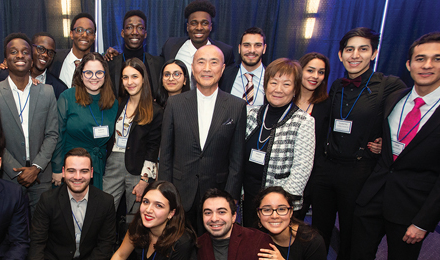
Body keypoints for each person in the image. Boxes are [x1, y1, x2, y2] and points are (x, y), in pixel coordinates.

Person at [351, 32, 440, 260]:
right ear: (409, 64)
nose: (427, 65)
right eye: (420, 59)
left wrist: (424, 222)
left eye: (437, 59)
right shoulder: (395, 98)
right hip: (372, 199)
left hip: (412, 208)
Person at [311, 27, 407, 259]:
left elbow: (407, 117)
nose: (355, 55)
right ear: (340, 55)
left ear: (373, 54)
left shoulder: (389, 85)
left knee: (352, 233)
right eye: (349, 49)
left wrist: (389, 140)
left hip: (359, 170)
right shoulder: (335, 87)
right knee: (318, 231)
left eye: (363, 49)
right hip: (326, 168)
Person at [159, 45, 246, 235]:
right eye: (201, 62)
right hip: (180, 192)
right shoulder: (175, 104)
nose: (207, 68)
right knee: (179, 246)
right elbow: (165, 153)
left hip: (218, 194)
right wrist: (165, 194)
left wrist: (230, 198)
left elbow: (237, 159)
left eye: (213, 62)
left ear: (222, 69)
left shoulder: (236, 106)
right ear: (192, 67)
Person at [0, 32, 59, 212]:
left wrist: (36, 167)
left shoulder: (47, 92)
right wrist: (16, 170)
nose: (20, 56)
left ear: (32, 56)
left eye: (25, 52)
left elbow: (52, 134)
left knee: (41, 231)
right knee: (13, 229)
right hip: (8, 176)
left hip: (41, 176)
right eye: (14, 52)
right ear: (6, 58)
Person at [242, 58, 315, 228]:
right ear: (266, 85)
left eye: (286, 84)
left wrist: (279, 204)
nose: (278, 89)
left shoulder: (303, 121)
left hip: (279, 204)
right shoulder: (252, 114)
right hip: (249, 196)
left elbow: (302, 169)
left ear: (295, 89)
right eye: (273, 83)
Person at [29, 147, 116, 260]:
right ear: (63, 172)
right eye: (71, 171)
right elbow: (37, 243)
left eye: (84, 171)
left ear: (91, 173)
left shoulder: (106, 202)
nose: (77, 177)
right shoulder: (48, 200)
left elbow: (105, 245)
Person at [104, 57, 163, 213]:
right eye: (125, 77)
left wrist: (145, 179)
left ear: (144, 79)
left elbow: (153, 148)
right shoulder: (117, 104)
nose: (130, 82)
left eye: (134, 76)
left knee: (135, 217)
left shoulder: (155, 110)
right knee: (104, 212)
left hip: (137, 168)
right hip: (112, 165)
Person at [51, 52, 118, 190]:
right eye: (88, 73)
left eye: (99, 73)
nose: (94, 77)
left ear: (105, 75)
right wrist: (58, 168)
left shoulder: (113, 103)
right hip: (71, 169)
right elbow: (57, 135)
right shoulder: (67, 97)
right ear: (81, 75)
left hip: (99, 168)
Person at [111, 180, 197, 260]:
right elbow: (120, 255)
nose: (148, 210)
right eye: (146, 202)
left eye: (158, 205)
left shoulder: (182, 243)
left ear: (171, 213)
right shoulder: (137, 226)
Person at [293, 52, 331, 220]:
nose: (315, 76)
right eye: (310, 70)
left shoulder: (327, 105)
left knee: (296, 223)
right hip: (280, 171)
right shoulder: (284, 98)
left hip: (311, 175)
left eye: (321, 72)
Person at [160, 0, 234, 85]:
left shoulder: (224, 51)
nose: (199, 27)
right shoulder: (170, 46)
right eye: (194, 23)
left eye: (204, 23)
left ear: (210, 27)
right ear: (187, 27)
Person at [197, 188, 272, 260]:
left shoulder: (258, 241)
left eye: (221, 212)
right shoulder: (198, 245)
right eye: (208, 213)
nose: (214, 219)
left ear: (233, 216)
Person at [105, 10, 164, 98]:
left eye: (140, 28)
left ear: (145, 34)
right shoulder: (111, 64)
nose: (134, 32)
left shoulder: (158, 64)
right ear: (122, 33)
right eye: (129, 27)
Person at [256, 187, 326, 260]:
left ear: (291, 212)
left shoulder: (312, 242)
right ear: (258, 213)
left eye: (281, 209)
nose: (274, 216)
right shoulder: (253, 237)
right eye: (267, 210)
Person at [219, 27, 267, 109]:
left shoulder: (272, 78)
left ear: (264, 48)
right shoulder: (224, 75)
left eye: (257, 45)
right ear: (239, 48)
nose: (252, 50)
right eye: (246, 45)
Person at [49, 13, 97, 87]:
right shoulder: (54, 58)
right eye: (79, 30)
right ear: (71, 34)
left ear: (94, 37)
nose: (84, 35)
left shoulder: (98, 65)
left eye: (89, 31)